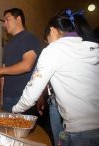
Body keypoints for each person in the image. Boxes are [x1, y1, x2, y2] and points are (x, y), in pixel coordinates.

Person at [12, 9, 99, 146]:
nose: (48, 44)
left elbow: (32, 91)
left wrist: (15, 110)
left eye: (47, 40)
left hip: (80, 132)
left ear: (52, 30)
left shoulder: (54, 50)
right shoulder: (92, 48)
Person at [0, 8, 41, 114]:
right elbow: (3, 74)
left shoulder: (29, 38)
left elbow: (27, 65)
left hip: (24, 98)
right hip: (7, 99)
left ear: (19, 19)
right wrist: (2, 98)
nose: (4, 24)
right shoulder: (8, 45)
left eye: (8, 19)